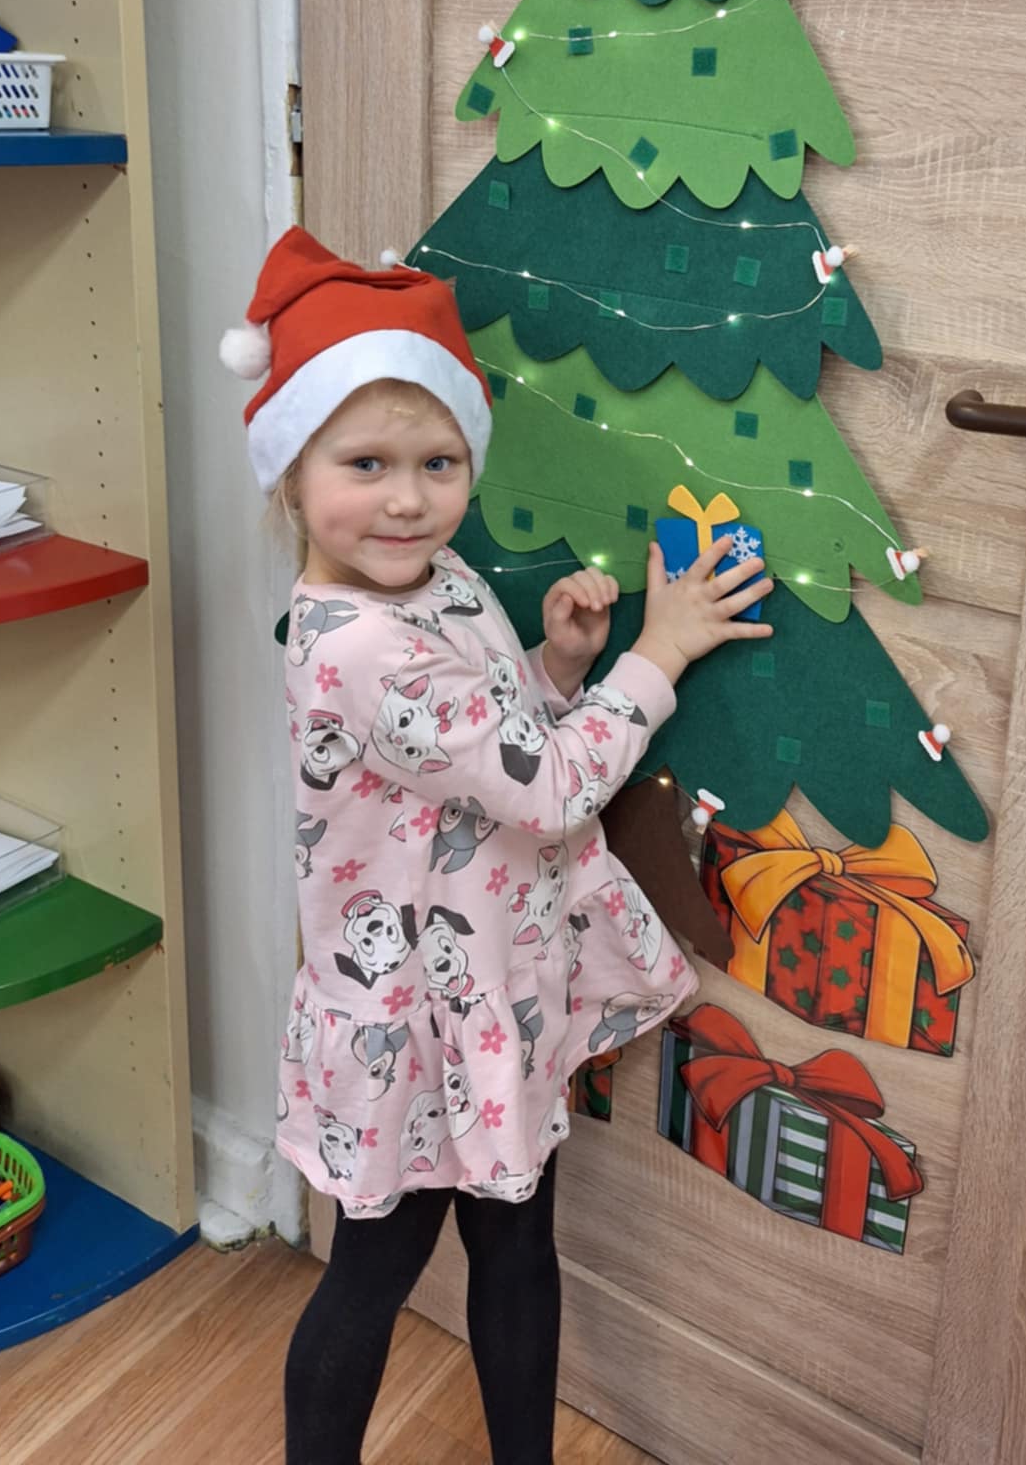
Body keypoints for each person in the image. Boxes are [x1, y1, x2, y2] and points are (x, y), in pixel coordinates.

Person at [221, 226, 774, 1465]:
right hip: (411, 1023)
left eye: (439, 461)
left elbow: (478, 738)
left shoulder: (437, 579)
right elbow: (552, 787)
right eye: (365, 463)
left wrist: (558, 663)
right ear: (291, 476)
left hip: (486, 996)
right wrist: (660, 650)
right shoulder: (355, 644)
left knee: (519, 1242)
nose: (407, 497)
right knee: (377, 1270)